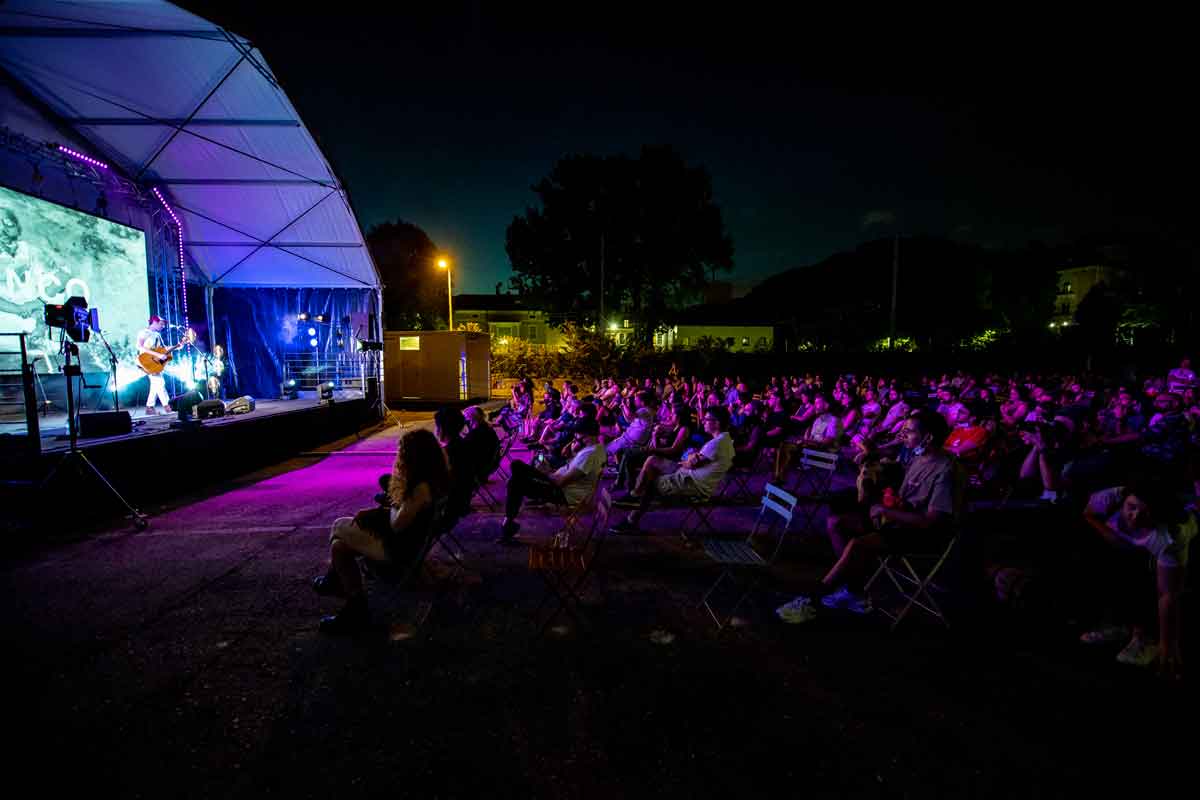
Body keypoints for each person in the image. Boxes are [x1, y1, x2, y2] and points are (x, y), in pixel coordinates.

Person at [811, 409, 964, 614]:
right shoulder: (919, 457)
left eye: (908, 431)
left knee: (858, 544)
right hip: (898, 521)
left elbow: (930, 521)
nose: (902, 435)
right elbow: (905, 492)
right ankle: (855, 590)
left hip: (922, 534)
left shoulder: (945, 469)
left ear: (928, 437)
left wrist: (886, 511)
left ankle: (814, 597)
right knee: (836, 522)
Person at [312, 428, 450, 634]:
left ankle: (342, 591)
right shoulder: (435, 478)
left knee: (339, 525)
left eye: (402, 452)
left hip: (400, 551)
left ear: (412, 456)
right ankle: (352, 604)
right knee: (339, 546)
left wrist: (395, 500)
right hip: (410, 544)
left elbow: (397, 525)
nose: (399, 456)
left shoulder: (420, 488)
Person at [1080, 481, 1194, 677]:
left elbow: (1167, 594)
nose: (1135, 516)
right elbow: (1088, 514)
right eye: (1131, 507)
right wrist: (1112, 538)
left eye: (1146, 512)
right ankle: (1120, 623)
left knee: (1149, 575)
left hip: (1162, 553)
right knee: (1096, 554)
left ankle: (1143, 635)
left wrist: (1168, 643)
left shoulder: (1169, 536)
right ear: (1124, 498)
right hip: (1122, 546)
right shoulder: (1110, 497)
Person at [610, 405, 734, 535]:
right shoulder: (723, 440)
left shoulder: (717, 443)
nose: (703, 421)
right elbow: (693, 460)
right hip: (687, 474)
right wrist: (690, 458)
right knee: (652, 460)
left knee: (649, 482)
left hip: (692, 483)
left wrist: (689, 460)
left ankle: (631, 519)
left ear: (717, 423)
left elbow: (690, 463)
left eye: (707, 419)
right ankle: (634, 496)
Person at [496, 416, 606, 544]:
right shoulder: (594, 449)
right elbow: (569, 471)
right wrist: (549, 472)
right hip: (558, 484)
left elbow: (560, 482)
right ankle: (510, 520)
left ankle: (508, 525)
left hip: (562, 494)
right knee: (517, 467)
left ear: (585, 434)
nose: (574, 436)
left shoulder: (589, 456)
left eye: (577, 433)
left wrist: (546, 473)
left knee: (515, 482)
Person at [136, 315, 172, 416]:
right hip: (144, 361)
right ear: (154, 322)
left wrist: (178, 346)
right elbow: (139, 347)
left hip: (153, 362)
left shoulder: (157, 335)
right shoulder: (144, 333)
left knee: (155, 384)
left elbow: (163, 349)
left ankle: (149, 407)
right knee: (159, 382)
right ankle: (168, 405)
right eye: (161, 323)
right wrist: (158, 355)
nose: (163, 326)